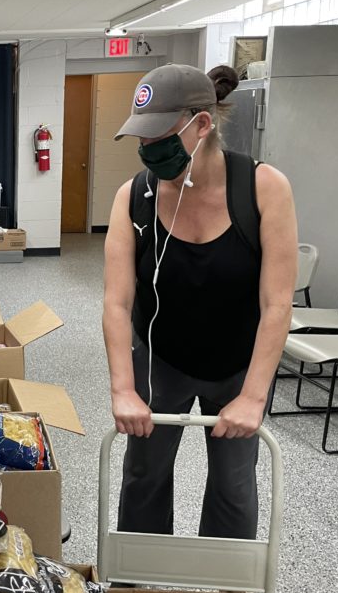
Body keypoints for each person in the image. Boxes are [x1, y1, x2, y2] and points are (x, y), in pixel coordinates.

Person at [103, 64, 297, 540]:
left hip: (236, 365)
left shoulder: (263, 189)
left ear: (201, 124)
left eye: (159, 135)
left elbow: (277, 305)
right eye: (141, 138)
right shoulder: (135, 197)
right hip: (161, 360)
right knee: (144, 476)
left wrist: (252, 397)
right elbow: (116, 302)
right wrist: (123, 389)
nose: (148, 149)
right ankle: (136, 591)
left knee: (233, 483)